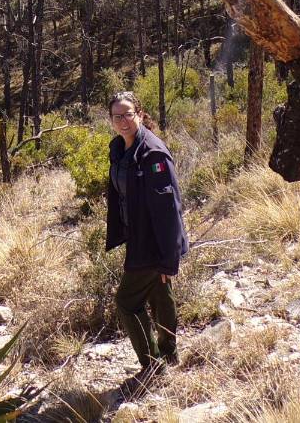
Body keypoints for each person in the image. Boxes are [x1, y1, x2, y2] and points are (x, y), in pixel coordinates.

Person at [105, 90, 189, 387]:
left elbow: (168, 209)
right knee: (159, 293)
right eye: (117, 116)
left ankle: (153, 365)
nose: (123, 121)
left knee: (127, 302)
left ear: (139, 114)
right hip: (137, 235)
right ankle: (169, 354)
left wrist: (169, 257)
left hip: (154, 241)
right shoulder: (119, 148)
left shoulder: (152, 153)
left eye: (128, 114)